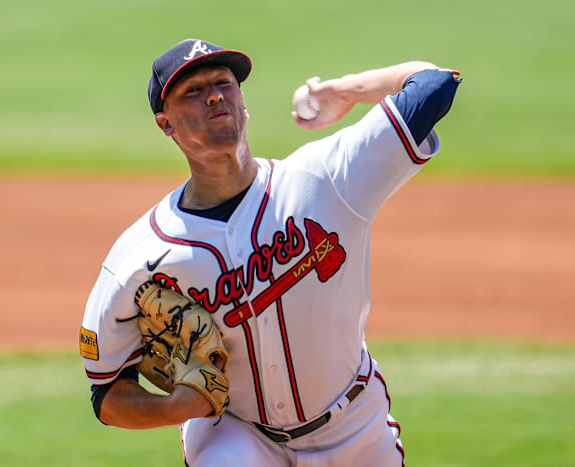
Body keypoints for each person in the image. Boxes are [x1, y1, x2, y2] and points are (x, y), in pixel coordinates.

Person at [79, 38, 461, 466]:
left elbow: (434, 85)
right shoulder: (142, 257)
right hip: (237, 435)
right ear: (165, 124)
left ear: (243, 102)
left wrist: (347, 90)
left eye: (224, 83)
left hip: (355, 424)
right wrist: (177, 408)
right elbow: (107, 393)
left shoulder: (326, 179)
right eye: (193, 90)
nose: (214, 95)